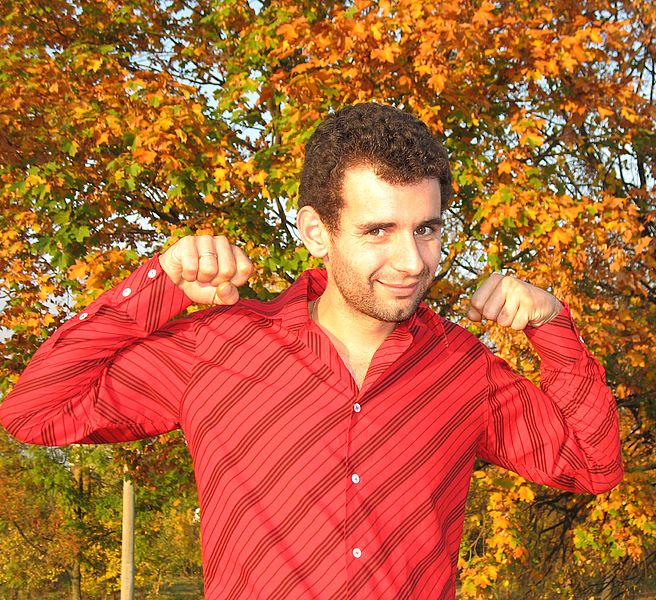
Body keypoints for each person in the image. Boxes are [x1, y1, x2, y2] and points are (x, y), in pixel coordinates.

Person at [0, 102, 623, 599]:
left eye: (426, 229)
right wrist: (158, 287)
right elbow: (36, 412)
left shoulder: (463, 371)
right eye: (378, 231)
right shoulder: (217, 348)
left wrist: (553, 326)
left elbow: (594, 468)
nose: (411, 262)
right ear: (315, 232)